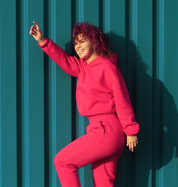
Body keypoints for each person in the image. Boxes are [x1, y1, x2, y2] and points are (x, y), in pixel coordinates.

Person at [29, 21, 139, 187]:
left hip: (107, 130)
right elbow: (64, 61)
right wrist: (43, 41)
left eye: (82, 42)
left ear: (94, 42)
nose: (77, 47)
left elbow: (123, 99)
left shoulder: (108, 68)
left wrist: (131, 130)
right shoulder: (84, 68)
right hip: (102, 130)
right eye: (75, 43)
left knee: (63, 162)